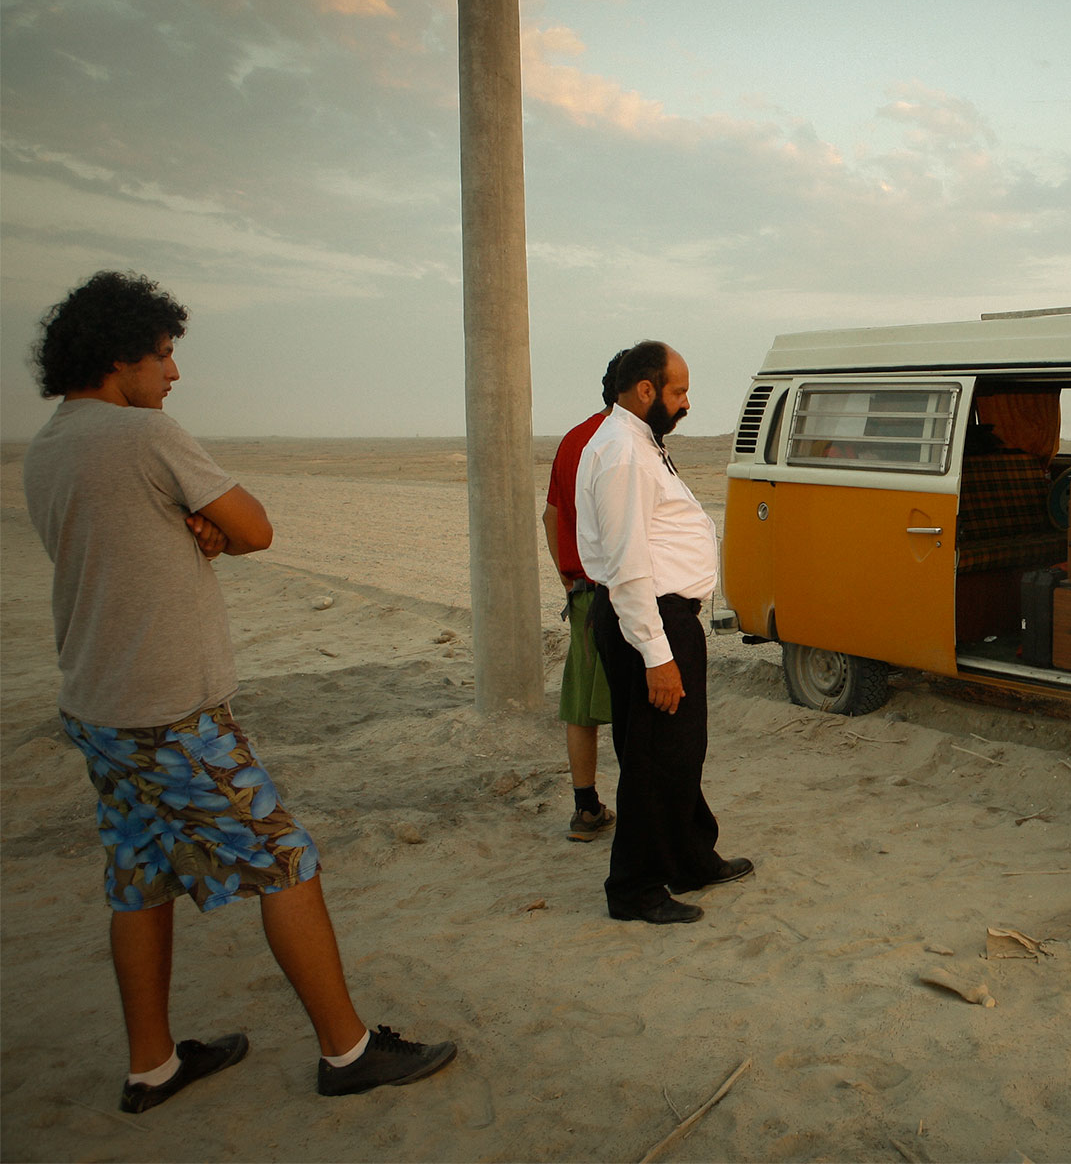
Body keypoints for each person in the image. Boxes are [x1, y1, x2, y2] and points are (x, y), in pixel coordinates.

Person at [22, 271, 457, 1113]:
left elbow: (130, 547)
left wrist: (201, 534)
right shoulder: (142, 435)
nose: (173, 375)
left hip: (98, 705)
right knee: (288, 859)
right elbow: (258, 527)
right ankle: (348, 1051)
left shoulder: (48, 445)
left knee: (140, 878)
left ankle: (152, 1066)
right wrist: (222, 529)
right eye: (164, 355)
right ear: (121, 361)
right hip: (169, 711)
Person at [575, 340, 752, 924]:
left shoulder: (638, 441)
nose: (686, 404)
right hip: (649, 619)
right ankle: (635, 888)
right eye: (679, 392)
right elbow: (627, 567)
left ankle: (690, 858)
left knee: (677, 752)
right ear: (646, 390)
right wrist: (658, 656)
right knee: (654, 760)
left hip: (661, 618)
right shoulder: (623, 452)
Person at [542, 351, 626, 841]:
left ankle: (585, 807)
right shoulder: (624, 442)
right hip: (619, 593)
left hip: (581, 593)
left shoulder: (574, 439)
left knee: (582, 703)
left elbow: (551, 517)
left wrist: (567, 579)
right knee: (631, 701)